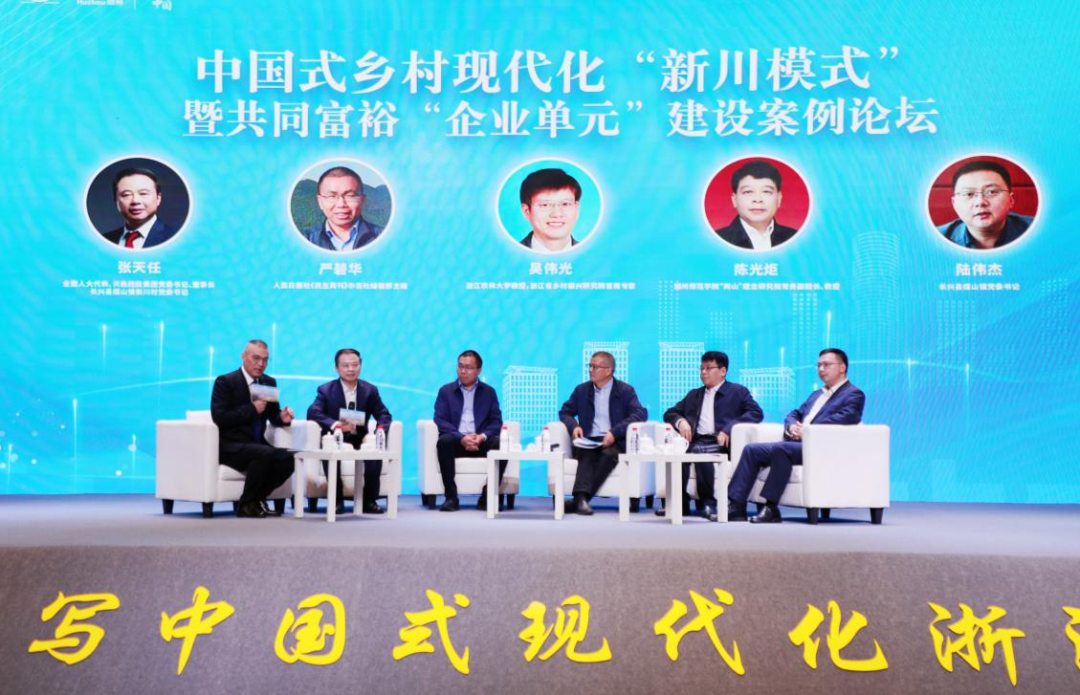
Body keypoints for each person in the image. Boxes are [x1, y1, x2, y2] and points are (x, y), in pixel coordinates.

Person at [727, 348, 865, 524]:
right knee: (752, 450)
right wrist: (792, 426)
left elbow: (848, 417)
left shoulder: (854, 394)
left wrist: (808, 429)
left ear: (842, 367)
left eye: (826, 365)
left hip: (822, 447)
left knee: (782, 449)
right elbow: (795, 413)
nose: (821, 369)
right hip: (797, 444)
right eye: (819, 365)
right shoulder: (817, 394)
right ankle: (736, 506)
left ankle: (771, 507)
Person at [662, 351, 764, 522]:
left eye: (709, 368)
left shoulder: (737, 391)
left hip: (721, 443)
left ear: (723, 371)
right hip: (696, 440)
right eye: (701, 368)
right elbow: (670, 413)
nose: (703, 372)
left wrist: (729, 428)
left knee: (699, 451)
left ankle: (709, 502)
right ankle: (680, 502)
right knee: (679, 453)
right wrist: (680, 422)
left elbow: (756, 413)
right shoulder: (694, 395)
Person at [210, 340, 296, 518]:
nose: (261, 364)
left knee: (291, 458)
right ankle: (246, 505)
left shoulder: (268, 382)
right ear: (244, 357)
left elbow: (273, 414)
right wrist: (251, 409)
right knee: (263, 453)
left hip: (257, 444)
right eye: (256, 358)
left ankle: (255, 500)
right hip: (231, 446)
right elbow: (220, 417)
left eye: (265, 360)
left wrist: (282, 418)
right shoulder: (226, 381)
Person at [557, 352, 647, 515]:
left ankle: (580, 500)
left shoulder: (625, 390)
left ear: (608, 370)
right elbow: (565, 412)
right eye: (590, 366)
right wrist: (574, 426)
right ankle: (581, 501)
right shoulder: (582, 390)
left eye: (595, 367)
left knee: (608, 455)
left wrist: (614, 432)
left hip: (615, 442)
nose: (590, 370)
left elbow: (640, 414)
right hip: (589, 440)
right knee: (586, 452)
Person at [306, 349, 392, 514]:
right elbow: (313, 412)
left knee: (374, 449)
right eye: (345, 366)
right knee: (330, 448)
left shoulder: (370, 390)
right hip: (336, 437)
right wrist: (336, 425)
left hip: (360, 437)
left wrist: (376, 433)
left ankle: (369, 500)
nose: (351, 369)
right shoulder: (326, 390)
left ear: (360, 366)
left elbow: (384, 415)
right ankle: (336, 499)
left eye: (355, 365)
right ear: (336, 368)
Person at [432, 350, 505, 511]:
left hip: (480, 441)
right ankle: (451, 498)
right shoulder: (445, 391)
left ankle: (487, 497)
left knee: (501, 444)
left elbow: (496, 421)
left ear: (479, 370)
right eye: (460, 366)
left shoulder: (489, 392)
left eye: (468, 368)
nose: (463, 371)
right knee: (444, 441)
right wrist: (461, 437)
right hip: (456, 441)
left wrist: (482, 437)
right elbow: (440, 419)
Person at [938, 160, 1033, 249]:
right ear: (954, 204)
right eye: (969, 194)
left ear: (1011, 200)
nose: (980, 202)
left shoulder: (1037, 231)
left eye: (991, 192)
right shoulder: (937, 239)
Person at [714, 160, 798, 251]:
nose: (757, 200)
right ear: (734, 200)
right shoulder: (716, 240)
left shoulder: (796, 238)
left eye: (766, 191)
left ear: (779, 199)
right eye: (748, 192)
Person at [303, 166, 383, 250]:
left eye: (350, 196)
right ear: (320, 202)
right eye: (332, 196)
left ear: (362, 200)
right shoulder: (306, 240)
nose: (341, 204)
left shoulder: (383, 238)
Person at [103, 167, 178, 249]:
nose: (135, 201)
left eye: (143, 193)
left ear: (158, 198)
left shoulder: (176, 238)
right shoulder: (104, 240)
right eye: (127, 195)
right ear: (115, 201)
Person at [518, 168, 581, 253]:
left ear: (576, 209)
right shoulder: (506, 256)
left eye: (565, 204)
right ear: (526, 211)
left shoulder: (595, 256)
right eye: (545, 205)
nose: (557, 214)